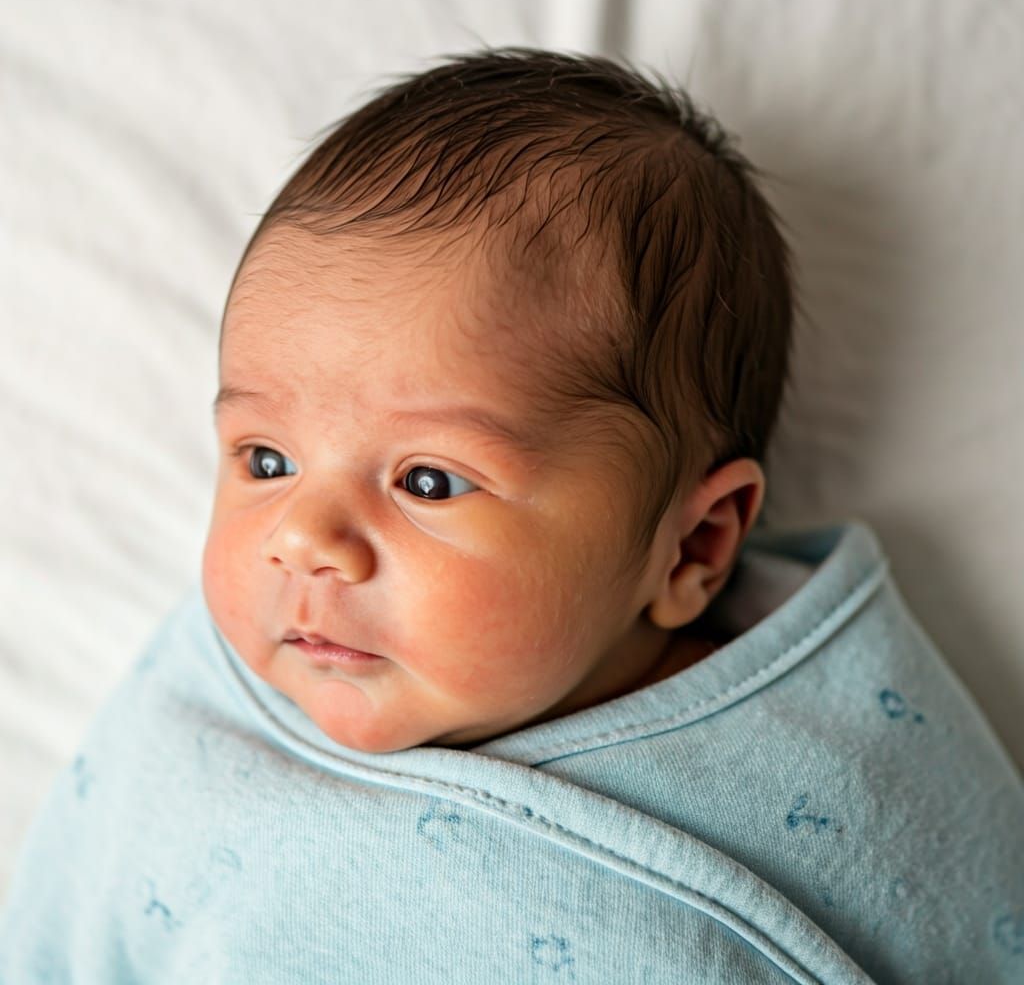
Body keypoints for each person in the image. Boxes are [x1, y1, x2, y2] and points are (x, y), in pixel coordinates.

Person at [2, 48, 1021, 984]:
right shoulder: (201, 712)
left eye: (428, 481)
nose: (302, 537)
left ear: (694, 545)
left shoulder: (852, 758)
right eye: (265, 459)